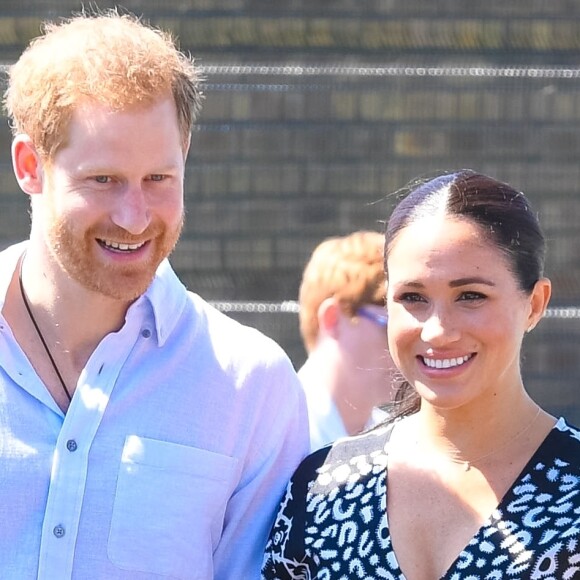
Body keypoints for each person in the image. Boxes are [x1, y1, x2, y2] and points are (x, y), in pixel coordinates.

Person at [0, 10, 309, 579]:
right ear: (29, 166)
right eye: (103, 180)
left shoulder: (251, 386)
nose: (134, 217)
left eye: (158, 180)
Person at [261, 170, 580, 579]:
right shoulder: (322, 488)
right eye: (413, 297)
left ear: (534, 304)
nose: (437, 331)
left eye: (471, 296)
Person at [297, 231, 397, 451]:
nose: (401, 343)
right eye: (389, 325)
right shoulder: (279, 432)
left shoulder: (395, 440)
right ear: (332, 319)